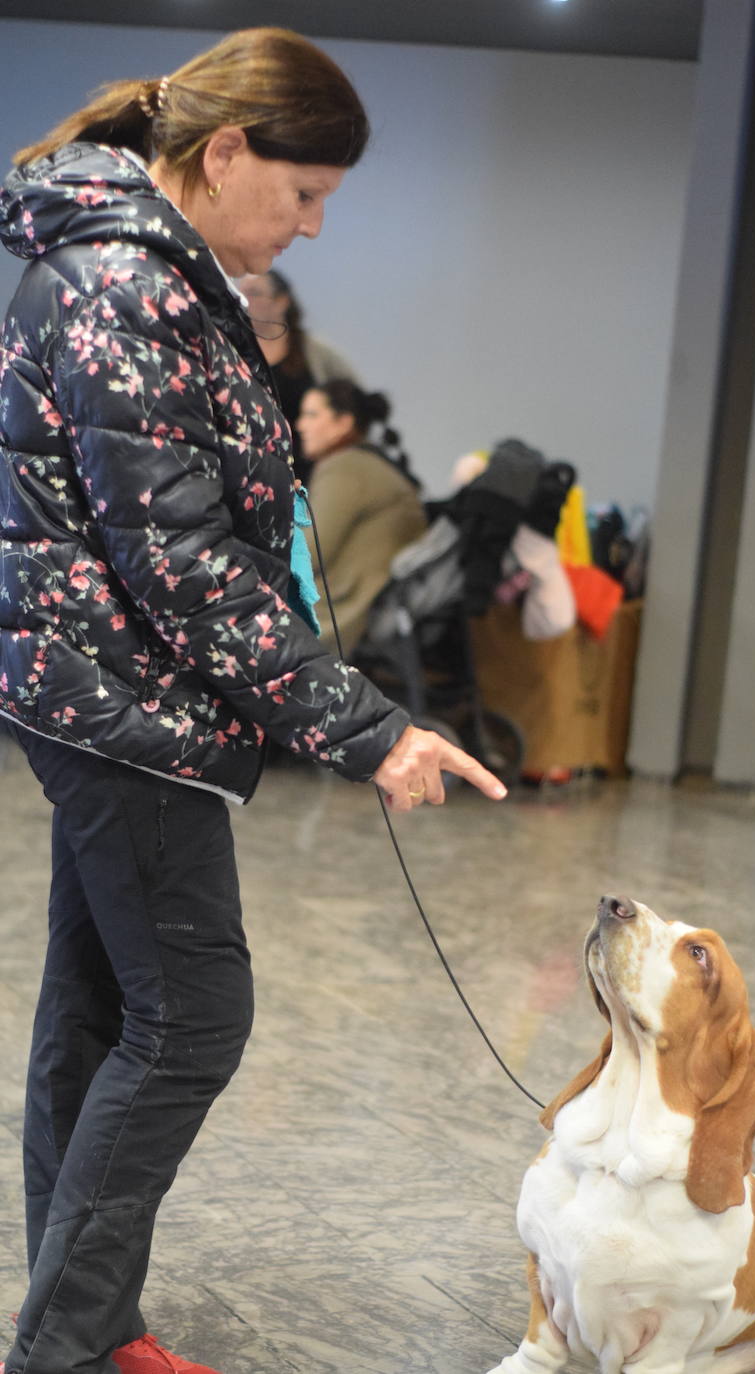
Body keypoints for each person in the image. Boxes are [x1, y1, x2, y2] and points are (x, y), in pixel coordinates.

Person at [0, 27, 505, 1374]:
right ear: (226, 151)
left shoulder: (147, 261)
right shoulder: (124, 279)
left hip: (101, 689)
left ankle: (87, 1325)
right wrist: (374, 727)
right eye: (304, 193)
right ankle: (59, 1346)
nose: (314, 224)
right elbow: (184, 564)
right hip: (123, 703)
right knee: (194, 1014)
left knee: (102, 1012)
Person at [297, 380, 429, 656]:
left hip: (343, 614)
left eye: (311, 415)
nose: (300, 425)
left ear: (343, 423)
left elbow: (310, 555)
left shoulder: (344, 467)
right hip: (376, 607)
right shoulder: (370, 462)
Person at [237, 268, 360, 482]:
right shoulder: (231, 351)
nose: (245, 301)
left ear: (282, 301)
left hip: (315, 472)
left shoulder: (316, 354)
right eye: (241, 293)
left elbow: (355, 402)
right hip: (252, 473)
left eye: (254, 293)